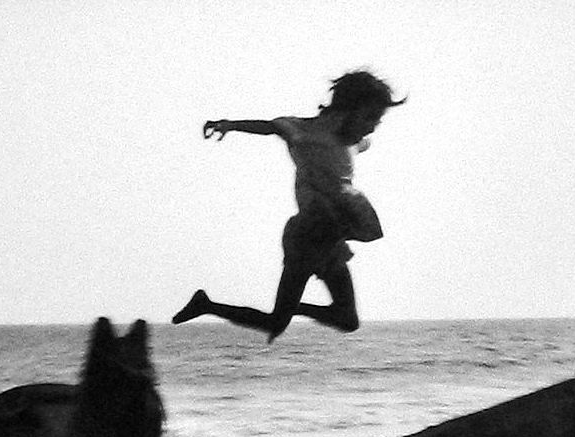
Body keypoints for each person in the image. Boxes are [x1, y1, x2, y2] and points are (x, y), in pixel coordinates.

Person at [172, 71, 404, 342]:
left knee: (348, 319)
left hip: (333, 239)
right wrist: (230, 125)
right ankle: (205, 305)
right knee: (276, 324)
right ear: (347, 109)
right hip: (307, 236)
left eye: (377, 121)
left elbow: (362, 143)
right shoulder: (305, 132)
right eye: (369, 118)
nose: (372, 127)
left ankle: (292, 308)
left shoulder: (353, 142)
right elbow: (272, 126)